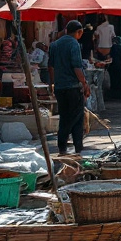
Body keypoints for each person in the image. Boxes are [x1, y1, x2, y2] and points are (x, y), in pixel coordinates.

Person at [48, 20, 90, 155]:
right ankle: (68, 145)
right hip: (72, 87)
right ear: (79, 32)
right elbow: (77, 67)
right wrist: (84, 83)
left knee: (70, 116)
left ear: (66, 30)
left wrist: (53, 83)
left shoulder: (54, 45)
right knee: (72, 118)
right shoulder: (74, 44)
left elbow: (51, 67)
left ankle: (72, 147)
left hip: (60, 88)